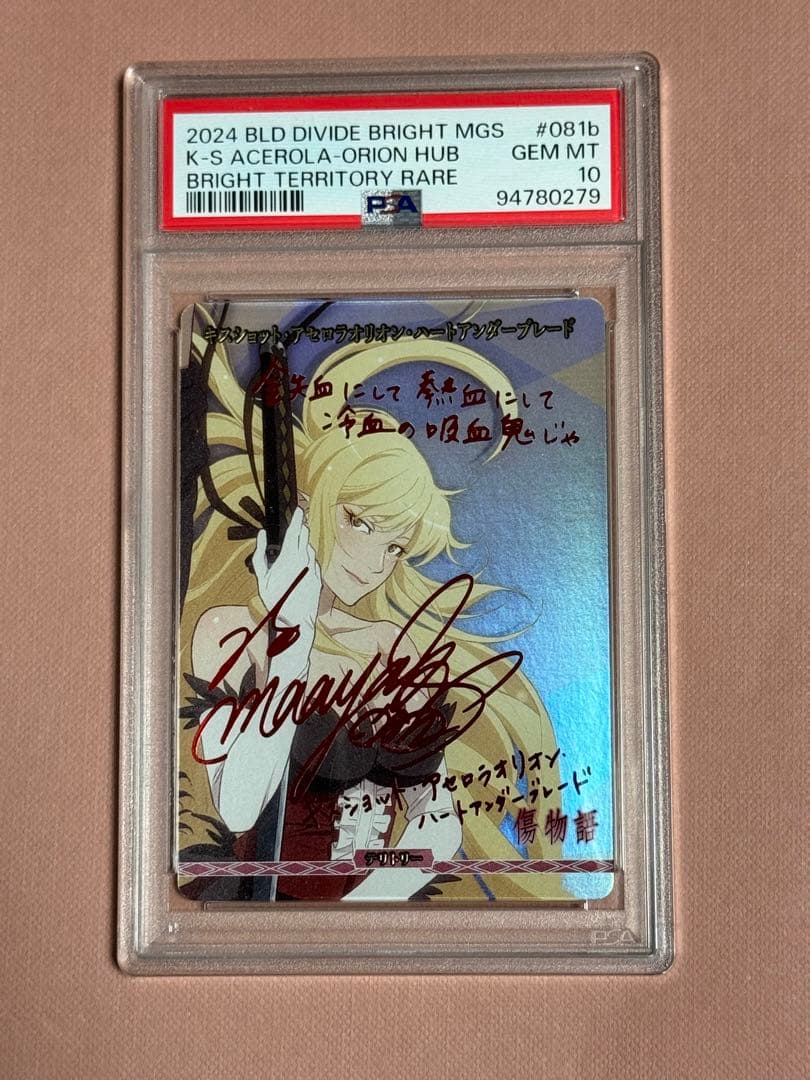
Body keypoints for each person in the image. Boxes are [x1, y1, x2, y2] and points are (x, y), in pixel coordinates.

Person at [178, 311, 570, 902]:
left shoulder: (391, 647)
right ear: (307, 505)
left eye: (394, 546)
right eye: (358, 522)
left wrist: (365, 906)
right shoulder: (230, 632)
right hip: (254, 908)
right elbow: (238, 806)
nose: (373, 561)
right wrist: (291, 634)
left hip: (373, 904)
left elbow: (436, 820)